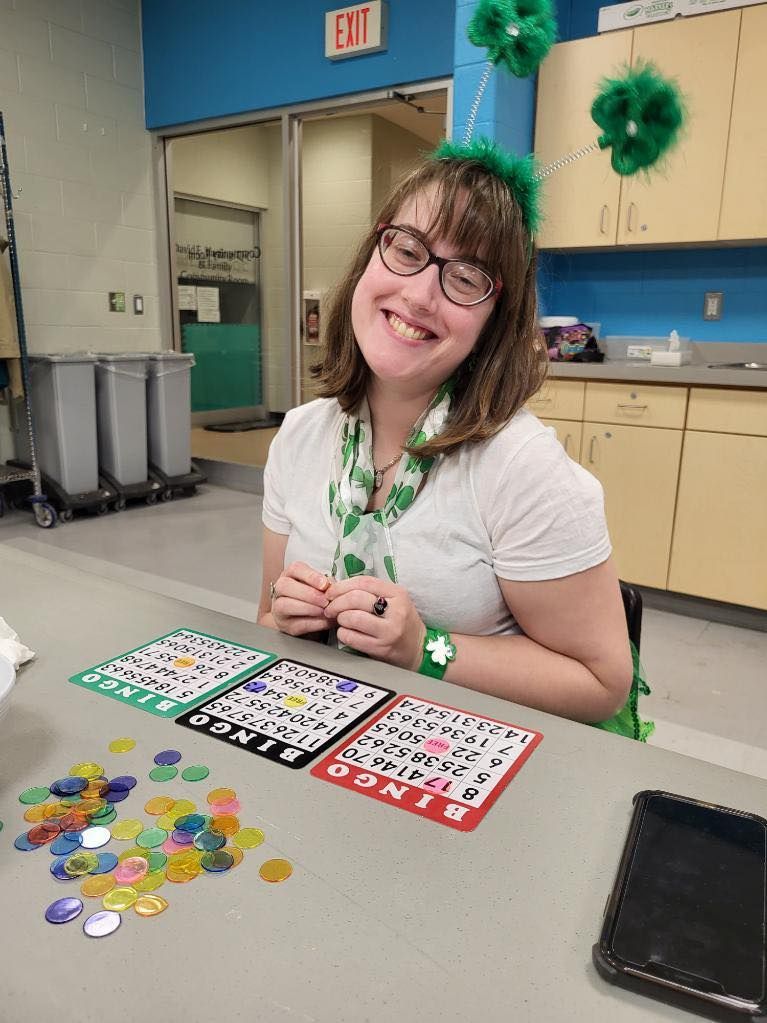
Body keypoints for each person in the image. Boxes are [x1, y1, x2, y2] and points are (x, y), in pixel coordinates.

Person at [258, 152, 633, 727]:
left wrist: (424, 649)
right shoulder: (299, 437)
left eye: (464, 278)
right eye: (408, 250)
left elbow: (601, 682)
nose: (418, 295)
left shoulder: (520, 466)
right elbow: (262, 621)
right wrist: (287, 618)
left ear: (493, 321)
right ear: (371, 256)